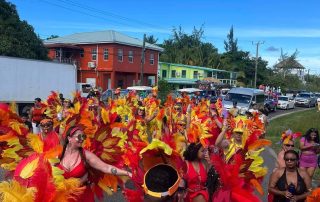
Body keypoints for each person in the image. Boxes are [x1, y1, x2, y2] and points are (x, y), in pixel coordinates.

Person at [58, 126, 131, 202]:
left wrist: (127, 173)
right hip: (63, 198)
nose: (82, 139)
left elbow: (106, 168)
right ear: (69, 138)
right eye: (79, 136)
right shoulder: (59, 154)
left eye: (83, 136)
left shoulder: (86, 155)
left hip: (83, 198)